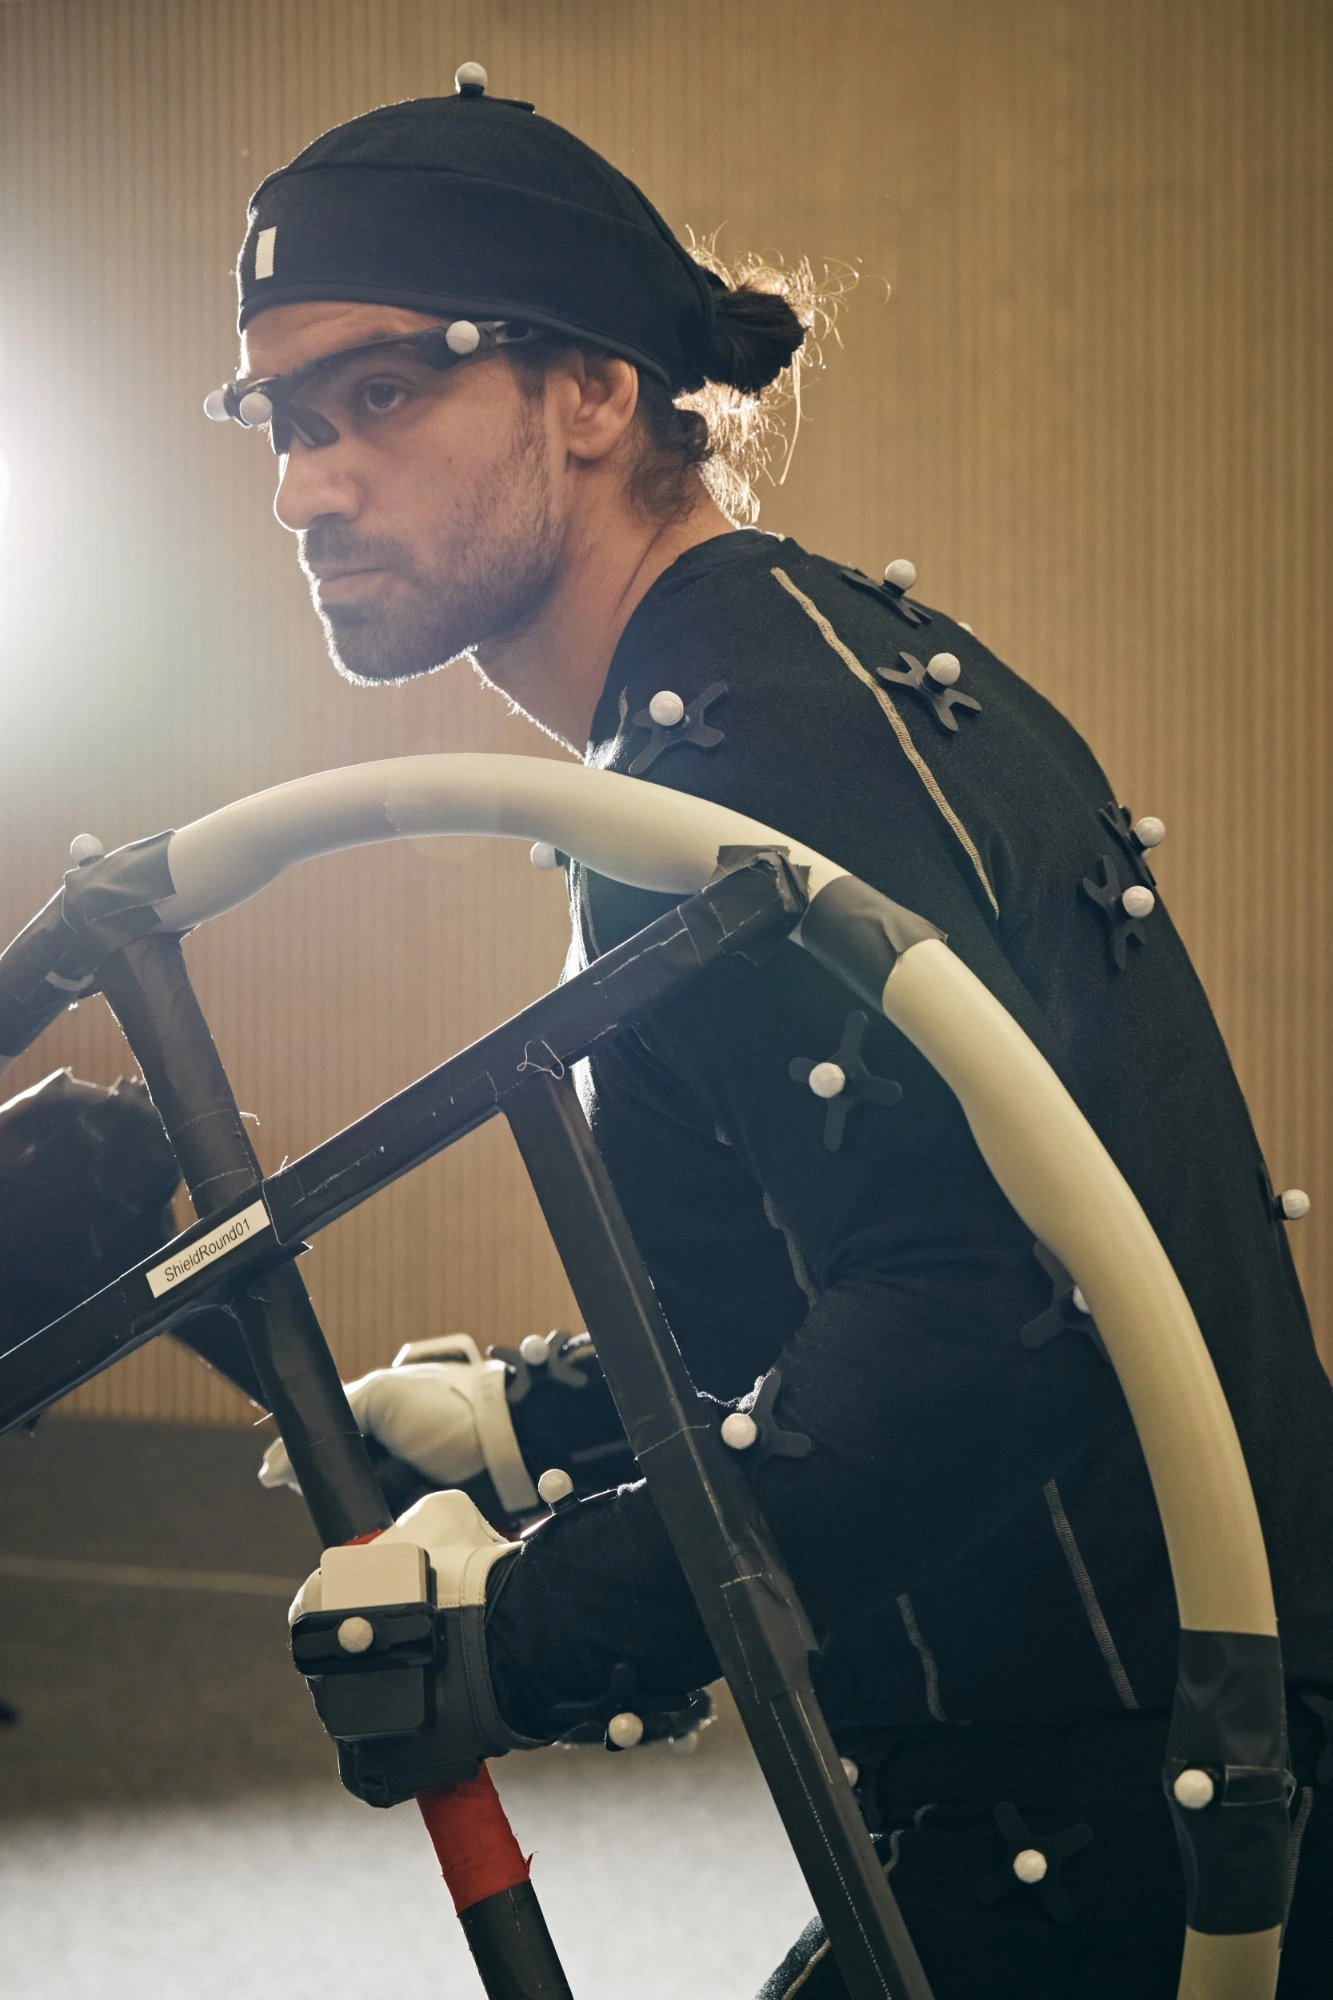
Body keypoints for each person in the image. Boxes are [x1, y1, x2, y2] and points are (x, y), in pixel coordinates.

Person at [225, 65, 1333, 1997]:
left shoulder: (752, 761)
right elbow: (869, 1275)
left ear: (591, 396)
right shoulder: (752, 694)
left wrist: (527, 1625)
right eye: (287, 422)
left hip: (1133, 1841)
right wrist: (536, 1417)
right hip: (1102, 1782)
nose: (311, 483)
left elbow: (985, 1316)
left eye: (384, 394)